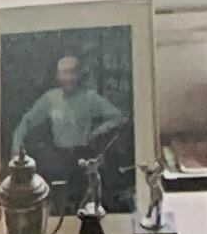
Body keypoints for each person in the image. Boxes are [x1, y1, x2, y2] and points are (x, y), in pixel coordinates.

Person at [9, 49, 133, 206]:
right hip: (58, 159)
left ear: (79, 75)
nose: (68, 78)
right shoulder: (50, 98)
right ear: (57, 75)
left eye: (72, 72)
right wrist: (17, 145)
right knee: (53, 200)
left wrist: (98, 131)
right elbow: (26, 122)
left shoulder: (90, 98)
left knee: (86, 201)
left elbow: (118, 116)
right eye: (64, 73)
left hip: (83, 158)